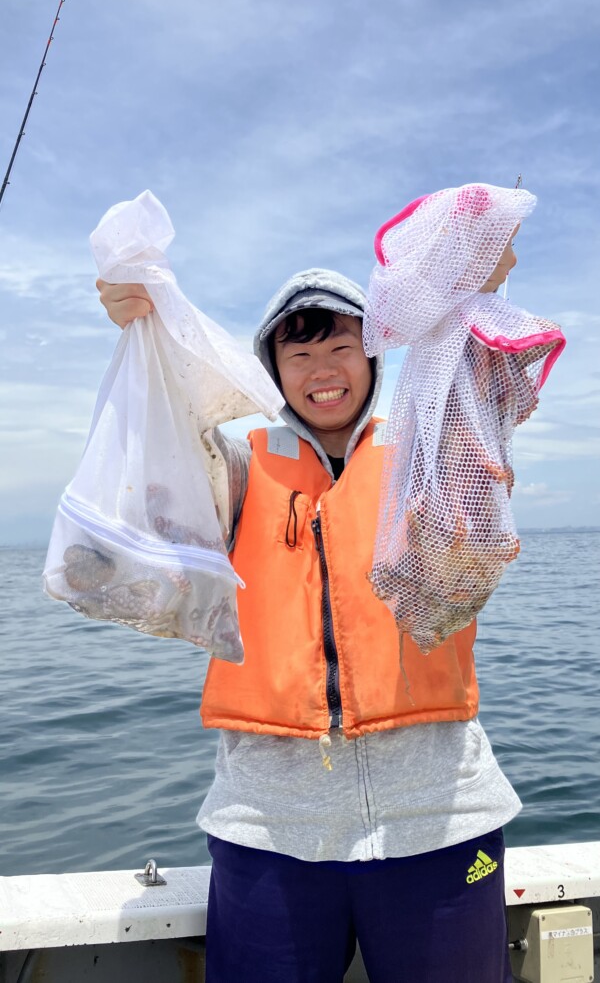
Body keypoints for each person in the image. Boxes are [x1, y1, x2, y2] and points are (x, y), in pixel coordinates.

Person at [97, 236, 520, 983]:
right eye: (299, 355)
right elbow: (161, 459)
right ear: (273, 372)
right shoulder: (236, 468)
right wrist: (144, 329)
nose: (323, 369)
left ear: (374, 356)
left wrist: (479, 300)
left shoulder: (428, 455)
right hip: (268, 825)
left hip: (442, 815)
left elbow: (493, 398)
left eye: (341, 345)